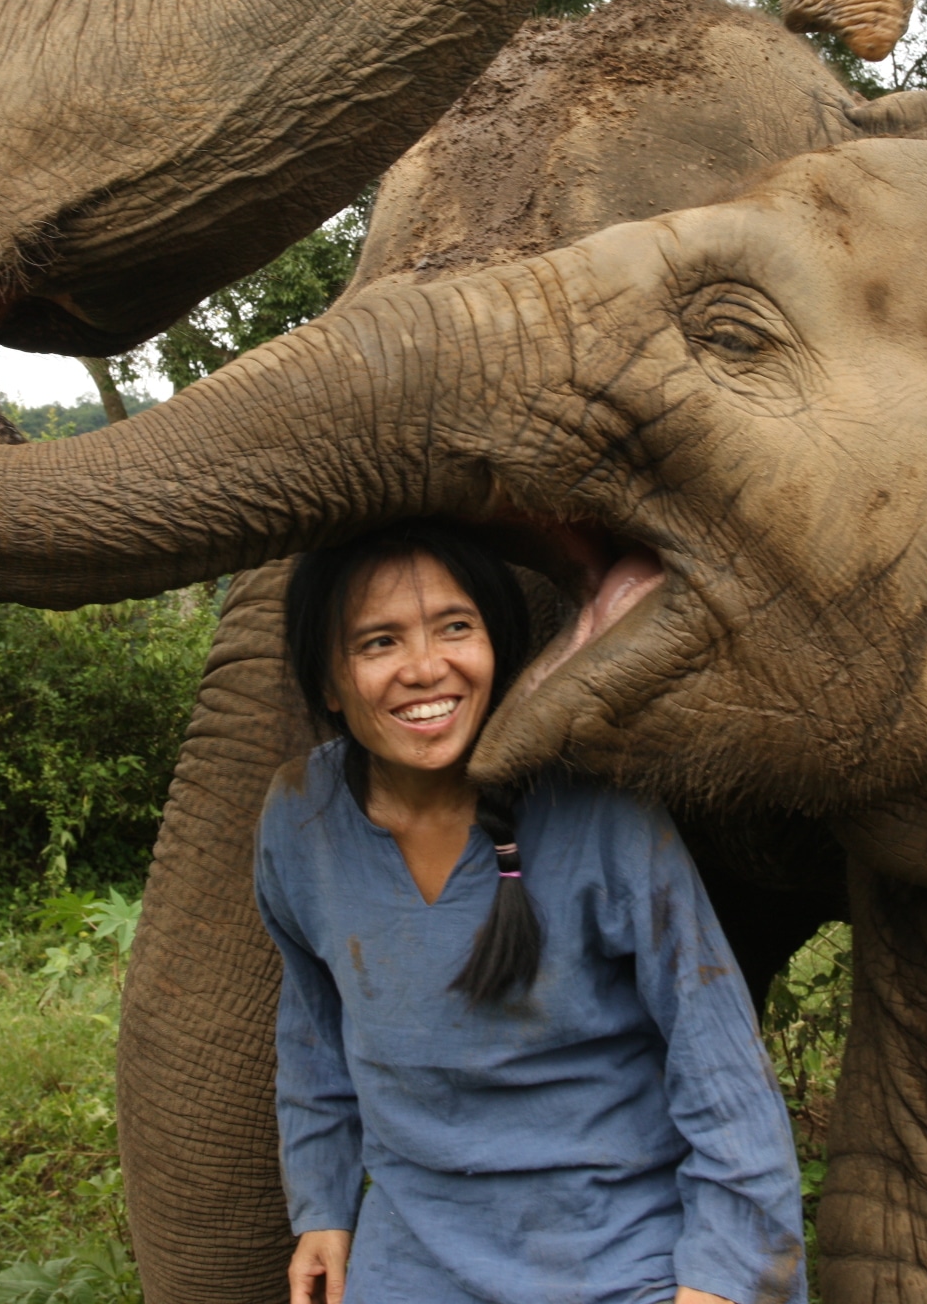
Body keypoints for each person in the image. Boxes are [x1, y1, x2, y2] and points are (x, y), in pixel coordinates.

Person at [255, 520, 806, 1304]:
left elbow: (717, 1064)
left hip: (615, 1257)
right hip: (415, 1259)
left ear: (501, 646)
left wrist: (723, 1279)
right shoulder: (300, 820)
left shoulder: (599, 814)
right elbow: (313, 1035)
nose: (425, 667)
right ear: (329, 684)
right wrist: (323, 1208)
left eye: (455, 628)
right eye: (379, 643)